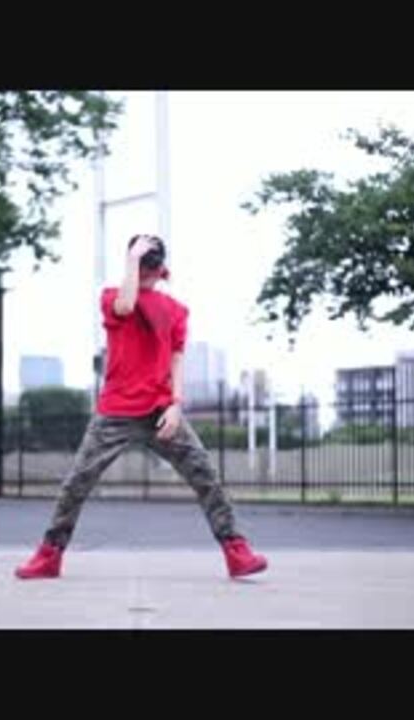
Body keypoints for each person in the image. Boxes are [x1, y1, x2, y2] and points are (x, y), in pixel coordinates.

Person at [15, 234, 268, 579]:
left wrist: (176, 404)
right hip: (116, 410)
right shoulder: (112, 297)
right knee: (78, 482)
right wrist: (133, 260)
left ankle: (236, 553)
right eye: (140, 261)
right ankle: (49, 556)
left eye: (152, 261)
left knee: (205, 476)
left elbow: (177, 360)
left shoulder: (176, 310)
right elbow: (126, 306)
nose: (147, 268)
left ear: (161, 266)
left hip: (160, 410)